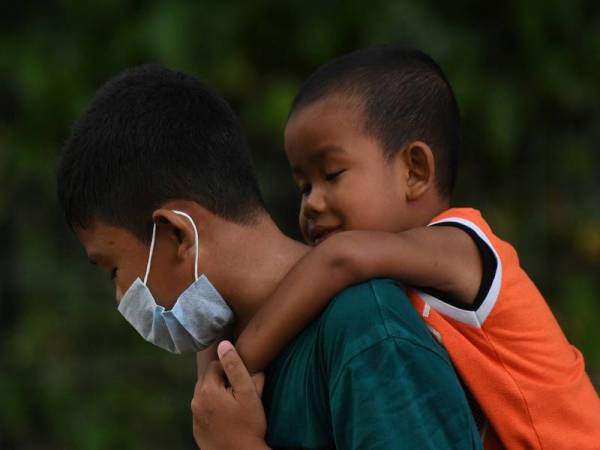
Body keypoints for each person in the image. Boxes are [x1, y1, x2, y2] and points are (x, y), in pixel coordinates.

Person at [57, 64, 483, 449]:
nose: (119, 297)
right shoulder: (228, 385)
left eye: (114, 270)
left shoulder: (365, 331)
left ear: (176, 234)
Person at [228, 45, 600, 449]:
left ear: (415, 171)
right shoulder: (392, 283)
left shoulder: (460, 245)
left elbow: (340, 258)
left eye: (332, 174)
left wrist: (236, 366)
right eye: (304, 187)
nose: (312, 203)